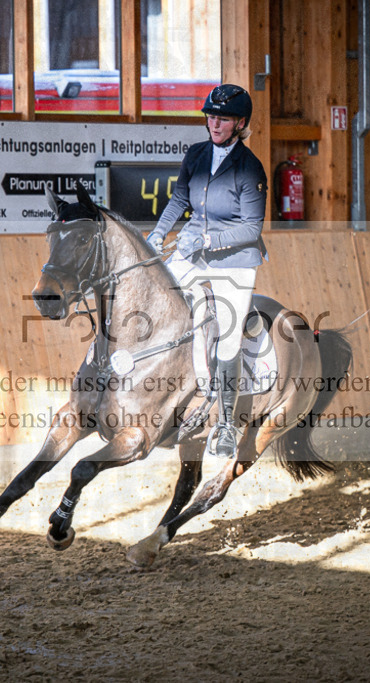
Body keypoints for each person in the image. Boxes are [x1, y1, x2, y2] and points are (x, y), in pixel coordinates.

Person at [146, 83, 268, 459]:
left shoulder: (249, 168)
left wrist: (208, 243)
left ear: (240, 123)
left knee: (228, 335)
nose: (215, 124)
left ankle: (227, 423)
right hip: (191, 249)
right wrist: (158, 233)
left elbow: (252, 228)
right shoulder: (196, 154)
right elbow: (180, 199)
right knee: (157, 300)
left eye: (224, 118)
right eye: (211, 117)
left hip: (234, 259)